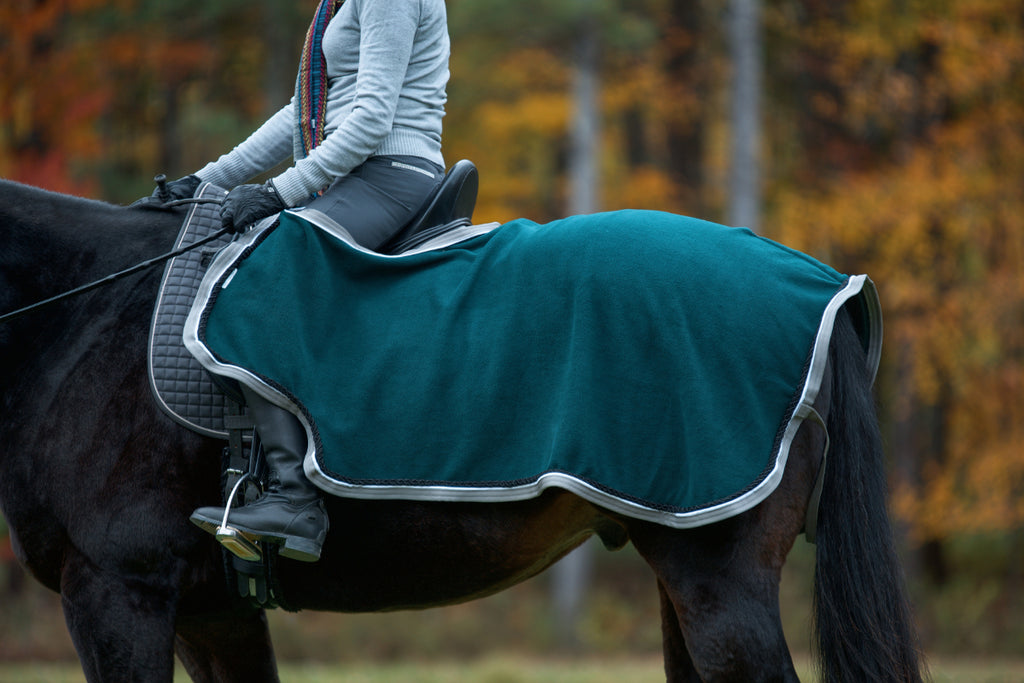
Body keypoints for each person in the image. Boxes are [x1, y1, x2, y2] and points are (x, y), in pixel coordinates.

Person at [171, 0, 451, 563]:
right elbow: (302, 112)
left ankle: (294, 498)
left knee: (255, 281)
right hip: (356, 172)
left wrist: (280, 192)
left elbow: (371, 117)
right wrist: (205, 180)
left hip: (387, 173)